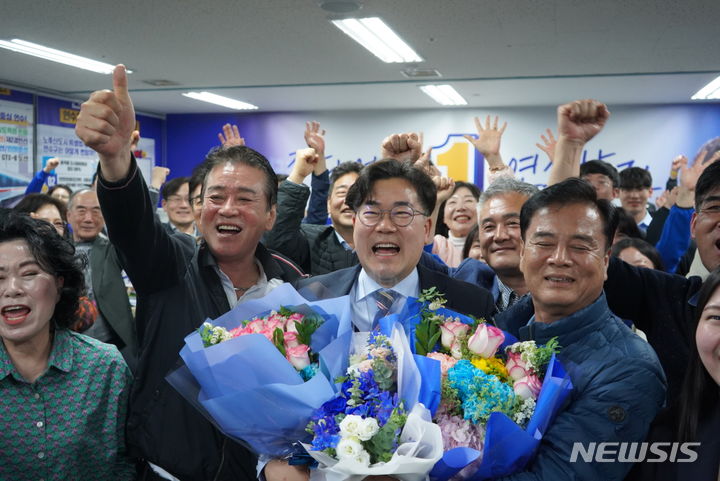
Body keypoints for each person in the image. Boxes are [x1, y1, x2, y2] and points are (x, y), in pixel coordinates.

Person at [75, 64, 306, 481]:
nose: (228, 208)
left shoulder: (291, 286)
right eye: (215, 196)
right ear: (199, 209)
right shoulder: (169, 267)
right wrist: (115, 159)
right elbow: (133, 227)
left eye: (246, 198)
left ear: (271, 215)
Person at [494, 178, 666, 480]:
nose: (559, 258)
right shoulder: (496, 336)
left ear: (606, 261)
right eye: (544, 243)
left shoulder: (630, 368)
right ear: (522, 253)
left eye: (580, 246)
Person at [0, 211, 134, 480]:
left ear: (60, 285)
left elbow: (126, 461)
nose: (12, 289)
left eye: (29, 273)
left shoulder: (103, 367)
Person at [295, 158, 496, 330]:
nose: (385, 226)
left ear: (426, 229)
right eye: (371, 213)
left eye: (402, 213)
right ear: (355, 224)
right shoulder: (310, 298)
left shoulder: (471, 304)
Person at [264, 143, 363, 275]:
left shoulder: (381, 243)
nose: (348, 201)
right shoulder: (310, 240)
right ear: (328, 204)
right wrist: (298, 175)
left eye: (356, 193)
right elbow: (277, 238)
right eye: (341, 192)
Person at [65, 189, 137, 368]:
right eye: (81, 211)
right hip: (67, 345)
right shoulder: (58, 251)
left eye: (96, 211)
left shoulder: (112, 249)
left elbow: (137, 236)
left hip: (113, 345)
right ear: (68, 215)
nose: (89, 218)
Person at [475, 177, 538, 312]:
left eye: (512, 223)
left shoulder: (564, 294)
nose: (499, 236)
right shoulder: (469, 281)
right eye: (489, 226)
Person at [433, 181, 481, 267]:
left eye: (468, 201)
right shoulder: (437, 246)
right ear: (443, 216)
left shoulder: (490, 245)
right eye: (452, 202)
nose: (460, 208)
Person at [619, 167, 655, 232]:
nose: (634, 196)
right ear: (617, 192)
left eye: (640, 189)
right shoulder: (607, 226)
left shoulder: (661, 228)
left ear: (650, 192)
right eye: (628, 189)